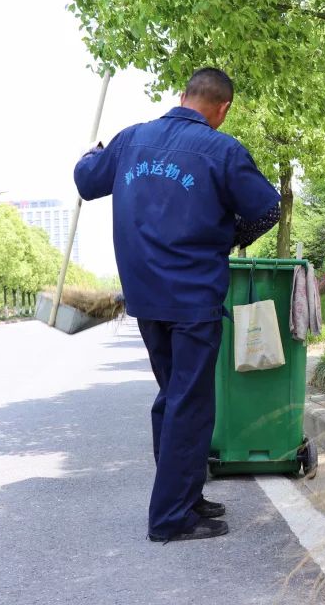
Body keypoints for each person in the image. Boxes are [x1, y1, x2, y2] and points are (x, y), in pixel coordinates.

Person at [74, 68, 280, 541]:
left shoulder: (128, 141)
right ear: (223, 108)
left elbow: (87, 182)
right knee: (190, 403)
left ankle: (185, 495)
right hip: (193, 297)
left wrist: (92, 153)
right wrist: (226, 239)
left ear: (182, 96)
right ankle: (170, 517)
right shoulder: (223, 149)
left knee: (173, 396)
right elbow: (267, 209)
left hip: (145, 297)